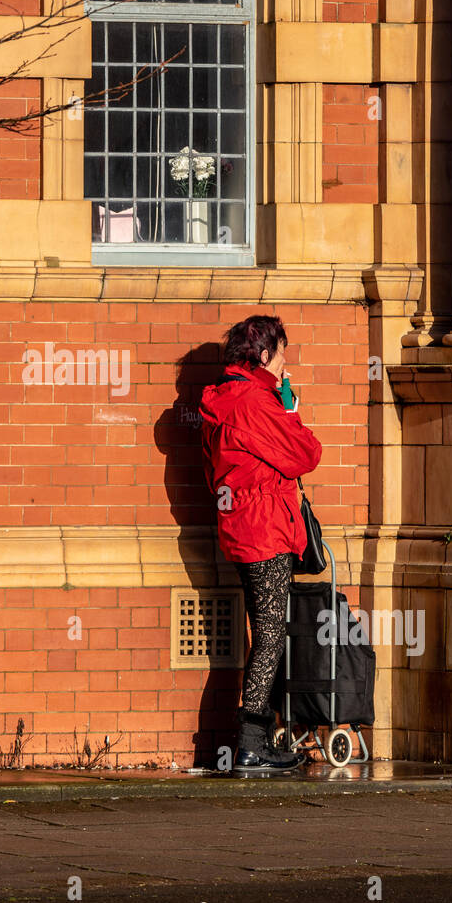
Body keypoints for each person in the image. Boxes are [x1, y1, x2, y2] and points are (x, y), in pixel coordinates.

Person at [199, 316, 322, 776]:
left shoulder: (225, 399)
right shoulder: (255, 402)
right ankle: (252, 743)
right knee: (270, 634)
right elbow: (305, 454)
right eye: (283, 352)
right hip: (264, 527)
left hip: (239, 523)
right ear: (264, 354)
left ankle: (258, 739)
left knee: (262, 632)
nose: (286, 361)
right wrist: (290, 411)